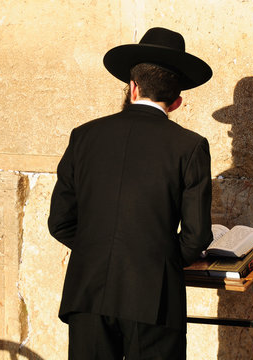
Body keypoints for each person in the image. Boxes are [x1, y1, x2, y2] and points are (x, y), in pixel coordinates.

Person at [48, 27, 214, 360]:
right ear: (177, 101)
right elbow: (196, 238)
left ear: (133, 87)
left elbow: (60, 222)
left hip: (88, 296)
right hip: (153, 299)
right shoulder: (190, 146)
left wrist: (99, 248)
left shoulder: (84, 136)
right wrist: (155, 261)